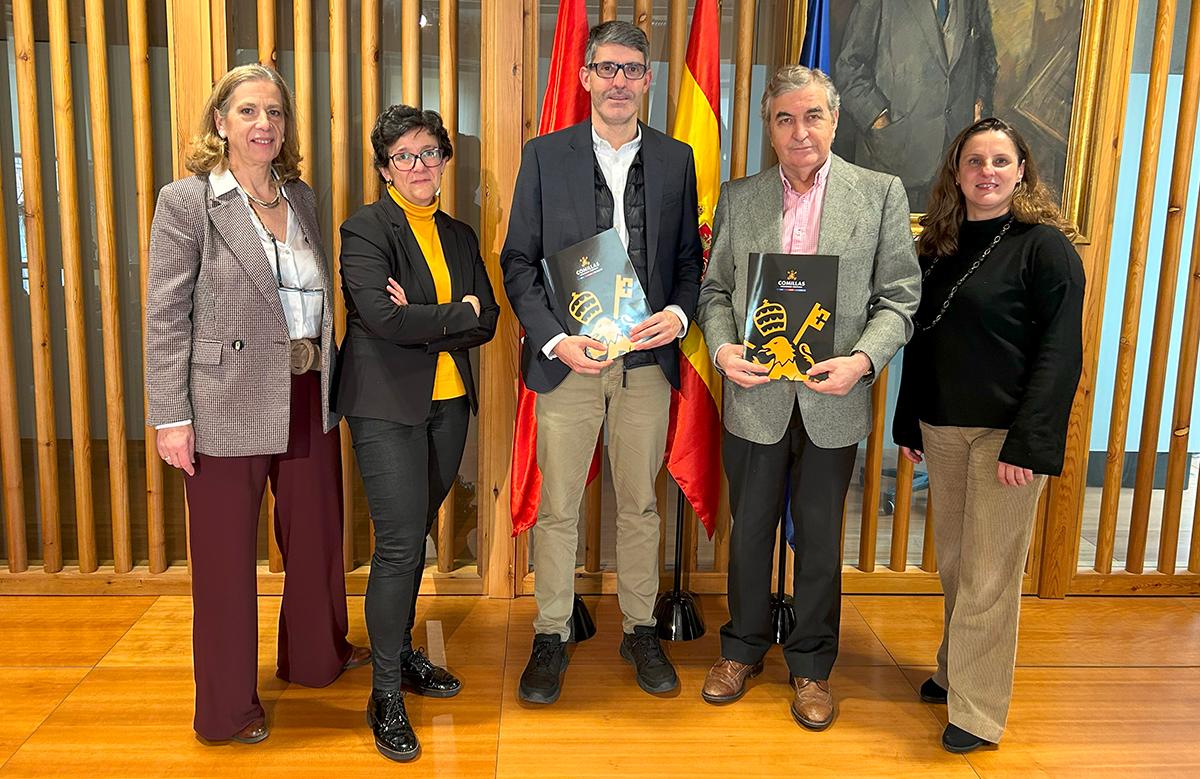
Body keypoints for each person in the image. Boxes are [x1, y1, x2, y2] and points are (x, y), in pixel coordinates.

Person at [145, 63, 369, 745]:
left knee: (317, 538)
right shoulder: (187, 202)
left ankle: (314, 658)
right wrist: (170, 415)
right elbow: (165, 316)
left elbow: (313, 300)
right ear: (221, 122)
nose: (263, 124)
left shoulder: (300, 194)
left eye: (274, 111)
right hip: (222, 400)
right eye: (247, 111)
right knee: (222, 562)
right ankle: (226, 708)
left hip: (306, 389)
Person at [695, 65, 920, 730]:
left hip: (833, 399)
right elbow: (714, 292)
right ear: (769, 127)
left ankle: (814, 665)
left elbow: (900, 297)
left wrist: (861, 360)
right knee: (750, 533)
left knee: (820, 540)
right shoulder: (741, 198)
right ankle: (741, 650)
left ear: (834, 119)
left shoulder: (877, 193)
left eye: (812, 116)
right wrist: (723, 347)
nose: (800, 131)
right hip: (755, 397)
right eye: (784, 118)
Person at [501, 20, 703, 704]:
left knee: (641, 503)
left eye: (632, 70)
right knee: (559, 506)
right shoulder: (543, 156)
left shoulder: (676, 159)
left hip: (647, 363)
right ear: (585, 77)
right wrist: (557, 340)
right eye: (607, 68)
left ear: (649, 81)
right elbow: (518, 263)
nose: (619, 82)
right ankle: (552, 631)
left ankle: (641, 628)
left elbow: (687, 264)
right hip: (571, 362)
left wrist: (676, 318)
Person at [893, 117, 1084, 753]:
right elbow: (921, 343)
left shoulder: (1043, 246)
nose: (988, 173)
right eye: (975, 161)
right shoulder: (938, 243)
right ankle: (954, 671)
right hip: (942, 427)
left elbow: (1061, 353)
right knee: (955, 565)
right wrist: (907, 419)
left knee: (990, 576)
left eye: (1001, 161)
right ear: (957, 172)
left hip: (1006, 436)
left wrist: (1030, 443)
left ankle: (977, 712)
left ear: (1021, 170)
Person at [333, 105, 499, 762]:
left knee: (419, 534)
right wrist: (451, 314)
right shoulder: (365, 229)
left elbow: (484, 319)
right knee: (400, 545)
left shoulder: (458, 234)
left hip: (449, 404)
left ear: (444, 160)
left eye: (429, 152)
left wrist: (429, 316)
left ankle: (402, 656)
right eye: (404, 155)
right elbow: (376, 315)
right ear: (383, 168)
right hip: (384, 405)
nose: (420, 165)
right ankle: (384, 696)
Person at [834, 0, 997, 211]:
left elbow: (987, 58)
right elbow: (849, 67)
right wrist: (878, 118)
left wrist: (979, 107)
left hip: (954, 162)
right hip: (893, 156)